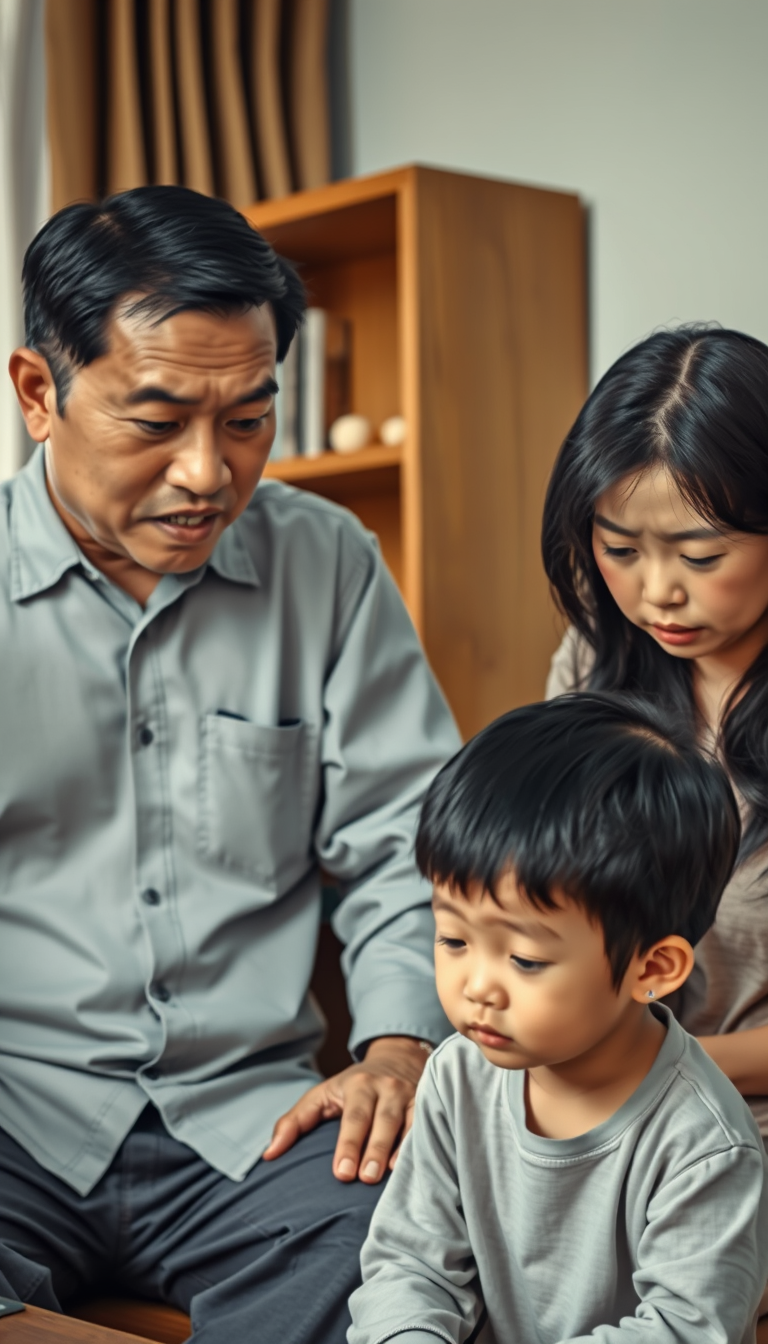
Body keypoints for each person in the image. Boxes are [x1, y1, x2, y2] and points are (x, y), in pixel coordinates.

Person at [0, 185, 460, 1343]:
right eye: (157, 421)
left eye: (249, 419)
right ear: (37, 393)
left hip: (256, 1123)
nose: (209, 472)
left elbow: (412, 848)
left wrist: (398, 1052)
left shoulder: (329, 563)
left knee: (418, 1251)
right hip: (16, 1116)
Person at [347, 693, 768, 1344]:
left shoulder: (705, 1145)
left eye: (524, 958)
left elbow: (685, 1330)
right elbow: (411, 1263)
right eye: (454, 940)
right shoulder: (457, 1077)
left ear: (652, 969)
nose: (476, 987)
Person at [541, 327, 768, 1152]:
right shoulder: (594, 665)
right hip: (600, 1105)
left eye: (701, 556)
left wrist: (654, 1065)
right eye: (621, 549)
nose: (657, 592)